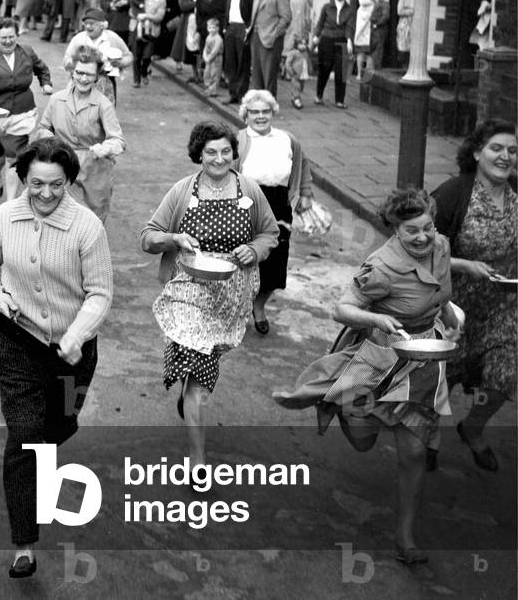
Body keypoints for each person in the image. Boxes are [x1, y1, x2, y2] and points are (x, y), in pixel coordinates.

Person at [274, 188, 460, 564]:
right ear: (395, 229)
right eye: (412, 231)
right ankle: (345, 408)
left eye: (427, 226)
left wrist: (451, 318)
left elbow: (440, 287)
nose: (423, 237)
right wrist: (376, 318)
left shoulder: (440, 244)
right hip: (380, 357)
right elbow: (341, 309)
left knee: (413, 451)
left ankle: (405, 537)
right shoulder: (380, 267)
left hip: (423, 359)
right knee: (362, 441)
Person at [0, 137, 113, 580]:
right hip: (16, 342)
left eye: (56, 184)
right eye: (37, 184)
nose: (47, 193)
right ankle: (24, 544)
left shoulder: (87, 227)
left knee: (61, 424)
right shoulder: (4, 217)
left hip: (73, 352)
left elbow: (100, 292)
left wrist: (75, 336)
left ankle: (37, 464)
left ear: (69, 181)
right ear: (24, 179)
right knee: (24, 435)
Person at [141, 121, 278, 466]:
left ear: (235, 154)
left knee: (202, 364)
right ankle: (198, 461)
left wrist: (255, 250)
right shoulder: (182, 191)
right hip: (188, 288)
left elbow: (270, 233)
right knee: (200, 383)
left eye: (226, 152)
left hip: (232, 294)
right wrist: (174, 239)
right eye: (211, 152)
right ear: (198, 155)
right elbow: (148, 237)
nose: (219, 159)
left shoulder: (249, 189)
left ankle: (189, 395)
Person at [432, 120, 517, 472]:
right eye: (497, 148)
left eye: (512, 150)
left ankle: (473, 427)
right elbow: (418, 250)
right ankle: (429, 435)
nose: (505, 156)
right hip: (454, 305)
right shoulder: (454, 193)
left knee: (506, 373)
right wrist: (466, 265)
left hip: (504, 307)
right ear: (478, 151)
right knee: (443, 379)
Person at [234, 90, 313, 334]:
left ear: (273, 113)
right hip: (247, 202)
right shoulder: (237, 140)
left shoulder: (287, 139)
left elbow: (303, 163)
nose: (260, 116)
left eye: (265, 111)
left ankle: (259, 306)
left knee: (276, 261)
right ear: (245, 115)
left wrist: (306, 193)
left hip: (279, 203)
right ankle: (238, 310)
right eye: (254, 112)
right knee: (244, 258)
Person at [35, 46, 125, 221]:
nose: (83, 79)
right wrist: (50, 140)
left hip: (95, 169)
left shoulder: (103, 104)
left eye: (89, 74)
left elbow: (118, 140)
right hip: (62, 164)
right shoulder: (57, 99)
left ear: (97, 76)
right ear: (72, 72)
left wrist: (106, 148)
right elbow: (43, 128)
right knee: (58, 217)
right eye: (79, 72)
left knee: (92, 221)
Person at [0, 18, 53, 200]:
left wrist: (45, 84)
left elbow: (42, 69)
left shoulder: (27, 52)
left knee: (14, 156)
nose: (8, 41)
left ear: (17, 35)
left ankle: (10, 204)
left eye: (11, 37)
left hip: (23, 112)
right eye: (3, 38)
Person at [62, 6, 132, 106]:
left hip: (105, 82)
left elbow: (128, 56)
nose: (88, 27)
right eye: (86, 24)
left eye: (92, 24)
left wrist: (120, 63)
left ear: (102, 25)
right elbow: (66, 60)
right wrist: (73, 62)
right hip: (80, 81)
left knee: (105, 113)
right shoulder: (79, 39)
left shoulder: (112, 38)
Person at [248, 0, 292, 96]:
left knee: (269, 74)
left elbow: (286, 17)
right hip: (256, 37)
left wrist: (275, 34)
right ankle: (258, 101)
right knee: (256, 72)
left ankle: (269, 102)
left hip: (270, 39)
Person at [312, 0, 355, 108]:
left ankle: (340, 100)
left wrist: (349, 41)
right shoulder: (327, 7)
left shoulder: (350, 9)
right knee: (324, 69)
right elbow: (320, 23)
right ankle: (319, 96)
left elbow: (349, 26)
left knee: (341, 72)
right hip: (326, 39)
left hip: (341, 40)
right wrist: (316, 36)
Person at [222, 0, 255, 105]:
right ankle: (232, 93)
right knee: (231, 63)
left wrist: (248, 29)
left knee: (243, 63)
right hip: (231, 28)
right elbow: (227, 11)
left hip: (243, 28)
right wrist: (225, 28)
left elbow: (253, 12)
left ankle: (242, 95)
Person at [282, 0, 313, 109]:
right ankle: (287, 72)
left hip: (299, 31)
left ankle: (292, 78)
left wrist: (307, 29)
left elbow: (307, 14)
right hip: (288, 30)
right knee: (288, 54)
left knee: (297, 59)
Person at [133, 0, 166, 88]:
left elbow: (159, 17)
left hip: (152, 32)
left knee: (147, 56)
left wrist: (146, 16)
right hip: (138, 29)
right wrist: (137, 15)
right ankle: (136, 80)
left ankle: (144, 72)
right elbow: (133, 6)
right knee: (136, 56)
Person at [353, 0, 382, 75]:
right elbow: (362, 2)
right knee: (362, 47)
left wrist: (374, 0)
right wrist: (375, 0)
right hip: (364, 18)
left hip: (376, 18)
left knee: (373, 47)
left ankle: (370, 75)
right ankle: (360, 74)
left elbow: (384, 3)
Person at [396, 0, 417, 68]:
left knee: (414, 49)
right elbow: (400, 11)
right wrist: (413, 11)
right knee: (403, 48)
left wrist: (408, 10)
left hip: (417, 25)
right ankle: (403, 70)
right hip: (405, 24)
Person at [201, 17, 224, 97]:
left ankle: (213, 90)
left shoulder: (218, 38)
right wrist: (205, 56)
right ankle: (208, 87)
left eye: (213, 28)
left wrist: (209, 57)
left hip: (216, 58)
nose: (211, 30)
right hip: (208, 58)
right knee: (207, 73)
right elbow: (205, 47)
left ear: (217, 28)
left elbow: (215, 50)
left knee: (215, 73)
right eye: (209, 27)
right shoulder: (208, 37)